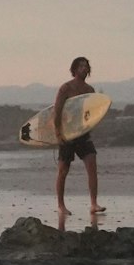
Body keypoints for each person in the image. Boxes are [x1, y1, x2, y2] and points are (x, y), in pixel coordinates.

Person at [54, 56, 105, 216]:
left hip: (82, 133)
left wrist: (89, 127)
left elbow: (91, 114)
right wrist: (58, 132)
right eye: (81, 66)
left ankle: (94, 204)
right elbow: (57, 110)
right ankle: (61, 206)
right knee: (63, 170)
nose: (84, 68)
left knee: (92, 166)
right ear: (74, 69)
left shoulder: (89, 90)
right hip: (67, 133)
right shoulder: (66, 88)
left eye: (86, 66)